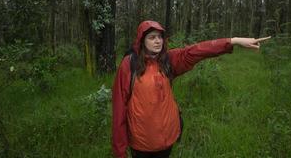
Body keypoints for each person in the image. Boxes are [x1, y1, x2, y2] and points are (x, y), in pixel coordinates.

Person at [112, 20, 271, 158]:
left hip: (167, 139)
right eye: (152, 37)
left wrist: (233, 41)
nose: (157, 41)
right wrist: (120, 152)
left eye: (160, 37)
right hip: (141, 143)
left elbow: (197, 50)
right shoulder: (129, 65)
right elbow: (119, 110)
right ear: (142, 41)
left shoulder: (168, 60)